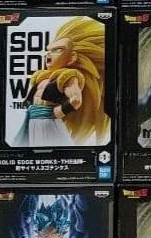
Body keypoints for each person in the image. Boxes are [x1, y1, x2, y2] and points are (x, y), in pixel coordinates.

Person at [14, 17, 109, 147]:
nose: (49, 54)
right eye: (49, 50)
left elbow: (76, 100)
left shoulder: (68, 76)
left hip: (49, 120)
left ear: (72, 58)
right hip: (32, 120)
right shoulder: (41, 78)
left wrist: (60, 111)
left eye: (57, 50)